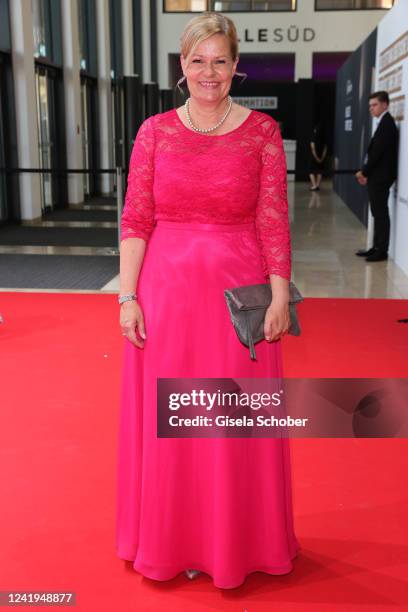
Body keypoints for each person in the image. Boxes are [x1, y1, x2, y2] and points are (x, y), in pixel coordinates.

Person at [116, 12, 300, 590]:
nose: (209, 72)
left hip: (235, 303)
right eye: (198, 60)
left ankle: (233, 542)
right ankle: (173, 540)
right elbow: (136, 219)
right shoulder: (154, 132)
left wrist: (279, 299)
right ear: (182, 66)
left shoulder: (263, 133)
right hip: (167, 297)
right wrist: (127, 297)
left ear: (236, 66)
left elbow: (273, 220)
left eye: (220, 60)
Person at [355, 91, 398, 262]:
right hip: (377, 176)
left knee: (380, 214)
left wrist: (364, 171)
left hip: (381, 177)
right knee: (377, 213)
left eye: (375, 105)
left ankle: (381, 250)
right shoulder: (383, 122)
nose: (371, 109)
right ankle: (376, 247)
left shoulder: (387, 123)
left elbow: (377, 154)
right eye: (370, 106)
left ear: (385, 105)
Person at [309, 123, 327, 191]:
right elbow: (325, 149)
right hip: (321, 156)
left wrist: (316, 157)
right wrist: (322, 158)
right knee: (320, 170)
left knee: (311, 171)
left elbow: (313, 149)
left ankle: (314, 185)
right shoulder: (323, 138)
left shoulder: (313, 137)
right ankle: (318, 185)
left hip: (314, 157)